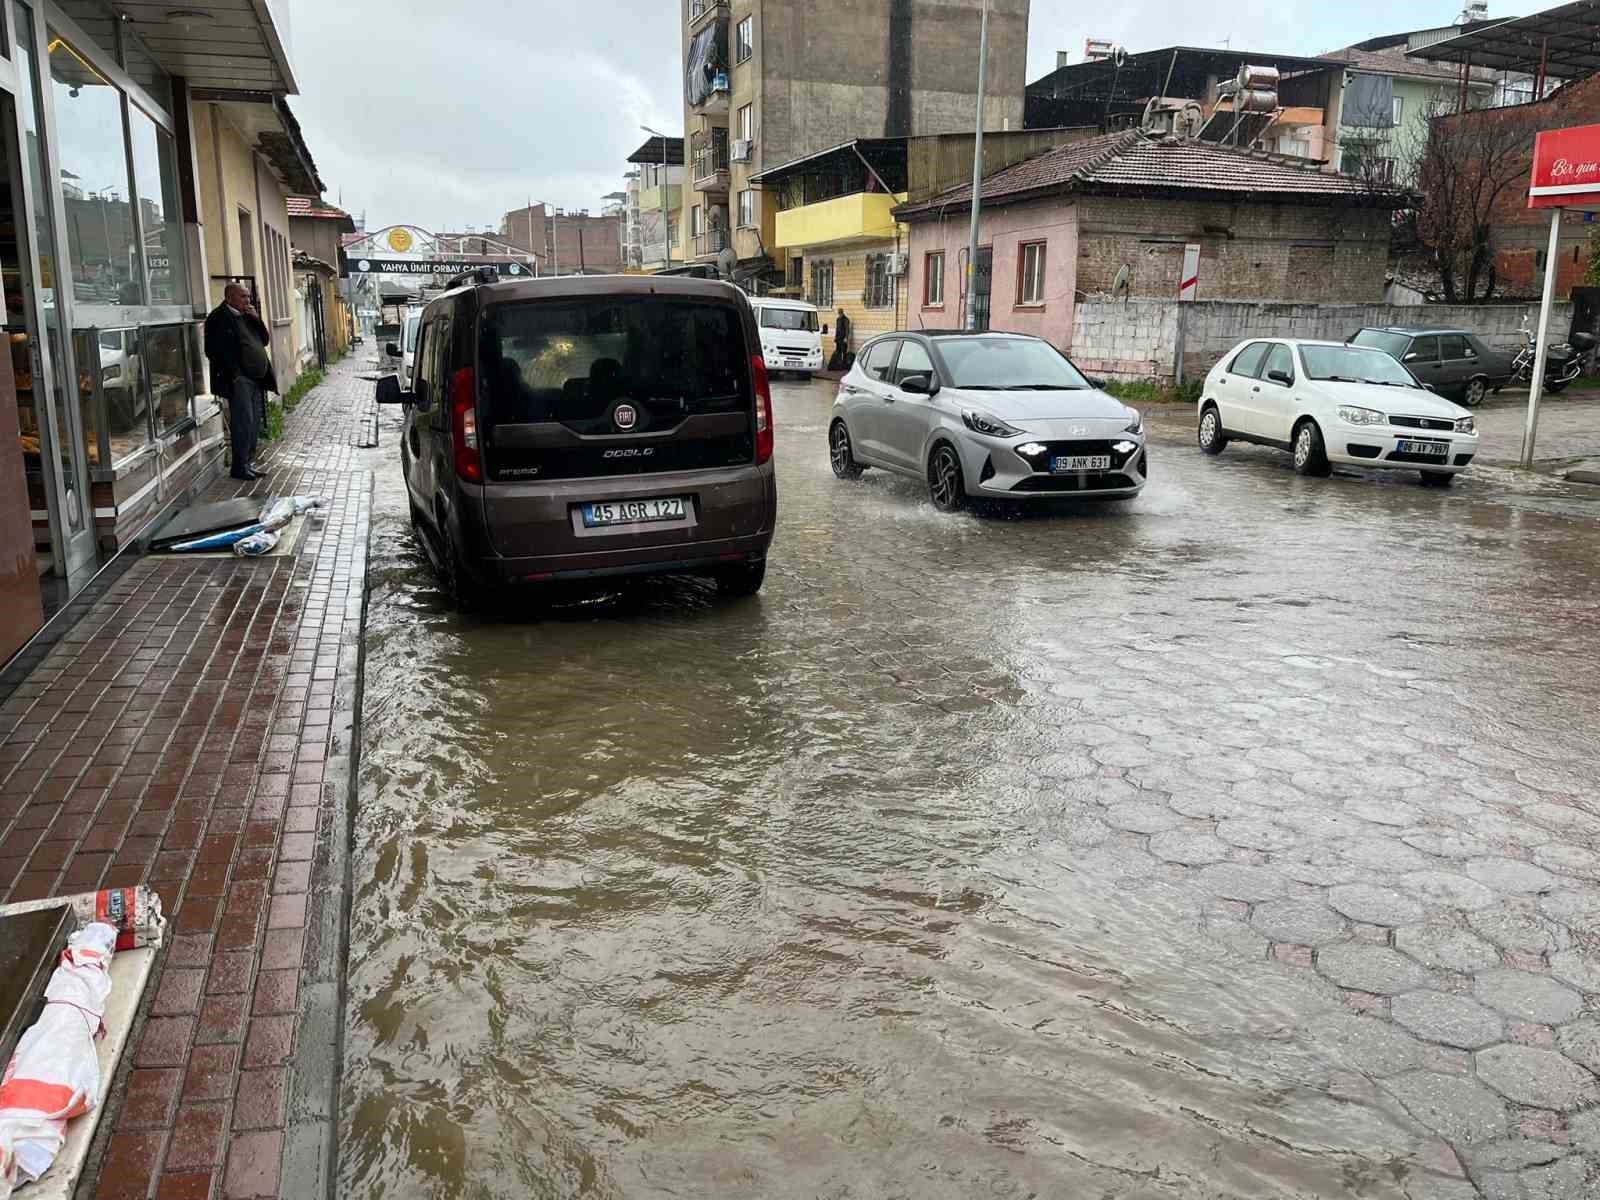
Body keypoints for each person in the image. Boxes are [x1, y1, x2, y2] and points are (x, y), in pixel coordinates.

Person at [204, 282, 277, 480]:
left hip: (256, 378)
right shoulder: (218, 318)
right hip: (239, 379)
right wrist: (234, 374)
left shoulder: (247, 316)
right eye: (243, 297)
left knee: (253, 424)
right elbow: (212, 350)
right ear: (230, 298)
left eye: (248, 296)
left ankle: (248, 462)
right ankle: (238, 467)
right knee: (242, 423)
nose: (248, 300)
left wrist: (257, 319)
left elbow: (264, 340)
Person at [828, 307, 852, 372]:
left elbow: (847, 329)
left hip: (843, 338)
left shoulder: (846, 319)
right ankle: (837, 365)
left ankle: (843, 365)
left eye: (839, 313)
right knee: (838, 352)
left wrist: (846, 338)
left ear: (842, 312)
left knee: (844, 352)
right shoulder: (838, 319)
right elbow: (837, 329)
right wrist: (835, 337)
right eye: (838, 313)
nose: (839, 314)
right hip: (838, 338)